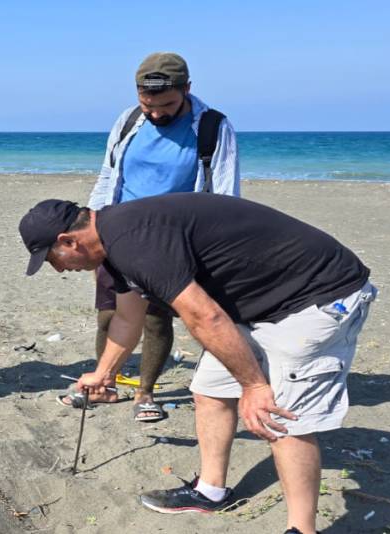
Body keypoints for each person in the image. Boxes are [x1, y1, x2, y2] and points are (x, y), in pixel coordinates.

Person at [20, 194, 376, 534]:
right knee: (210, 390)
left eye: (52, 260)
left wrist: (254, 386)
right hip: (260, 301)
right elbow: (128, 319)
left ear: (68, 241)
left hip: (318, 294)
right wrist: (104, 374)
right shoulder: (112, 247)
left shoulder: (135, 242)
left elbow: (205, 317)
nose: (60, 270)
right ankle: (210, 491)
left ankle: (301, 527)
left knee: (276, 415)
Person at [66, 52, 239, 422]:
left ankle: (145, 393)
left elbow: (225, 192)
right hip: (116, 232)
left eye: (167, 106)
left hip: (170, 242)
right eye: (149, 106)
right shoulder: (129, 120)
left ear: (187, 89)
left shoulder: (213, 126)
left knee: (156, 319)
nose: (157, 114)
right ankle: (106, 383)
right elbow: (109, 174)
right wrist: (92, 226)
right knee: (109, 315)